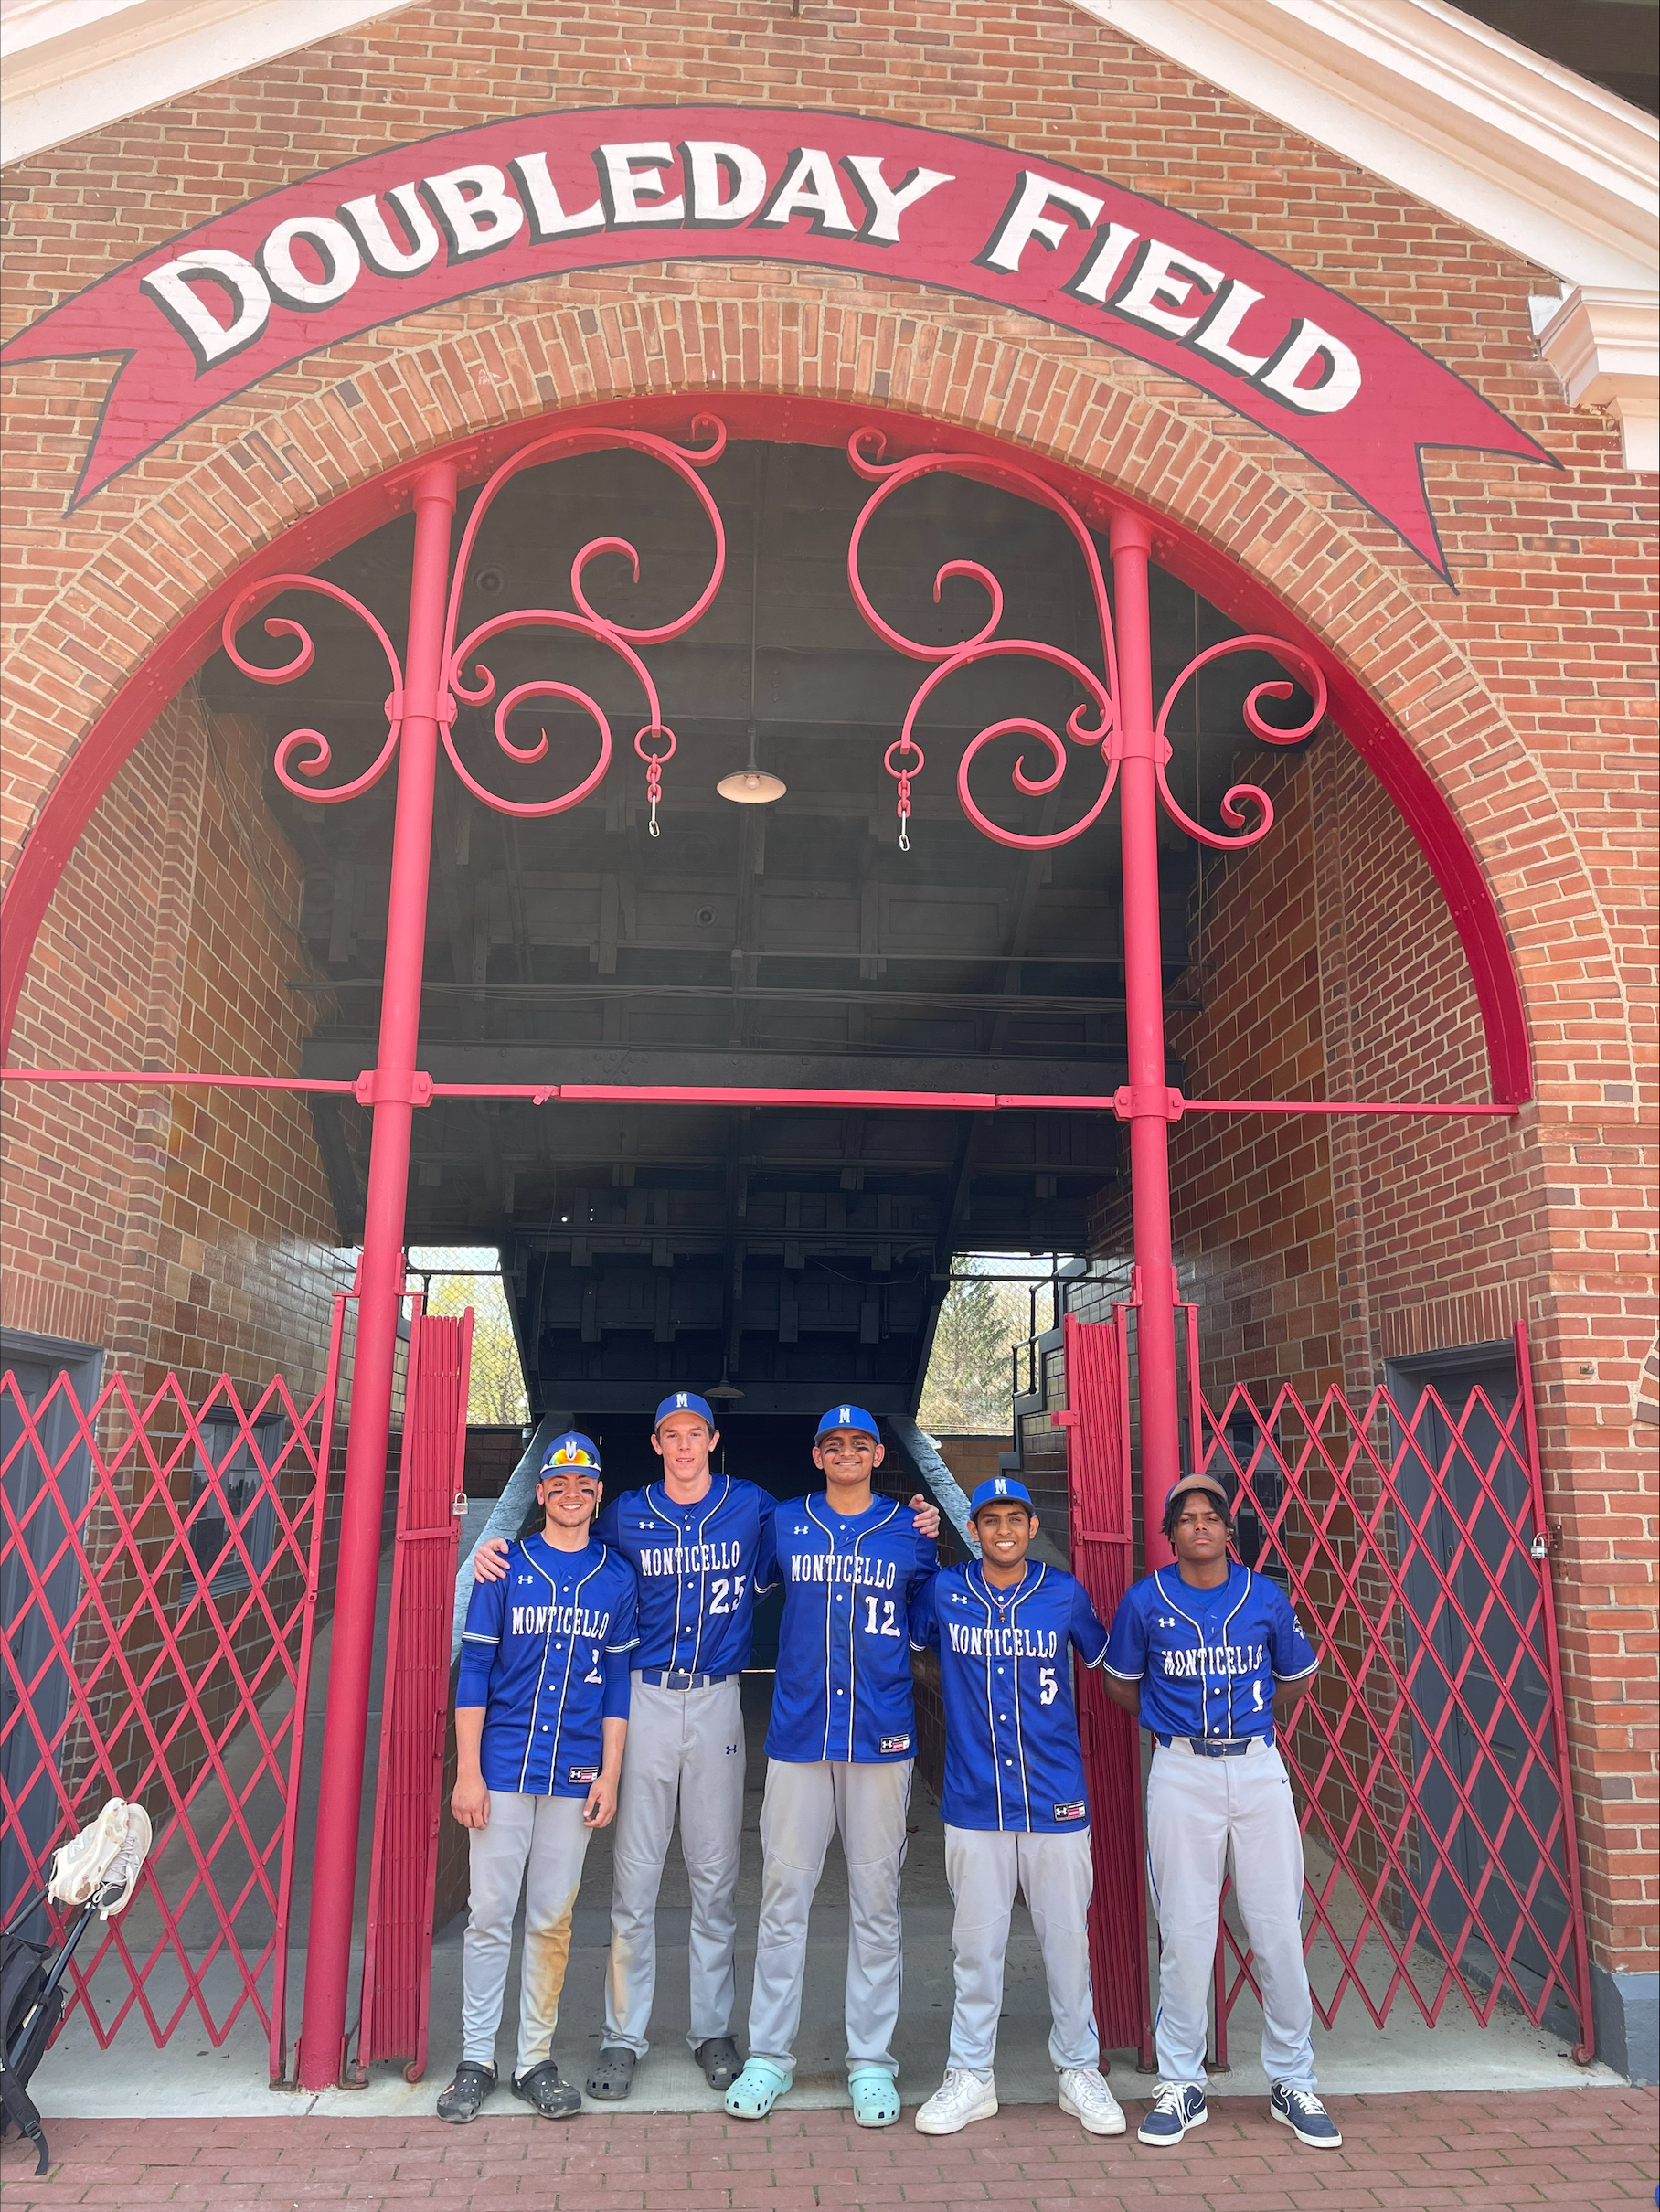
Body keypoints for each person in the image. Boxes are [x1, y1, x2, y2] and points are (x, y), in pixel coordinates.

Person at [470, 1392, 940, 2100]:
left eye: (695, 1433)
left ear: (714, 1440)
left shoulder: (756, 1508)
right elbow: (576, 1554)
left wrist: (921, 1518)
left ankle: (713, 2030)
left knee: (715, 1875)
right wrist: (497, 1550)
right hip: (646, 1697)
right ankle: (622, 2034)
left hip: (720, 1696)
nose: (684, 1445)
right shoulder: (625, 1512)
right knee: (635, 1876)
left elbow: (854, 1532)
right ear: (655, 1443)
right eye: (670, 1434)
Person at [1101, 1471, 1342, 2150]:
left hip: (1258, 1765)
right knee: (1183, 1930)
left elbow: (1294, 1679)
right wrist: (1167, 1724)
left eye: (1211, 1516)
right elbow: (1123, 1684)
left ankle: (1293, 2077)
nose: (1199, 1525)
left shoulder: (1262, 1596)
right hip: (1181, 1769)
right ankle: (1182, 2082)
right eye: (1186, 1517)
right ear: (1170, 1533)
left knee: (1276, 1929)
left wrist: (1252, 1728)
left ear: (1227, 1530)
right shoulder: (1145, 1601)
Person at [723, 1405, 938, 2130]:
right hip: (798, 1733)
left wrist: (932, 1526)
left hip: (880, 1735)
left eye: (859, 1443)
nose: (846, 1452)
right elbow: (738, 1589)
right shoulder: (783, 1522)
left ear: (878, 1453)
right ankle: (769, 2055)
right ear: (817, 1455)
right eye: (833, 1444)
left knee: (876, 1901)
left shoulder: (912, 1531)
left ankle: (871, 2061)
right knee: (784, 1896)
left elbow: (928, 1618)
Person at [907, 1475, 1125, 2139]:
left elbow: (1107, 1663)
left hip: (1055, 1794)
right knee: (975, 1946)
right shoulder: (946, 1590)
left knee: (1066, 1941)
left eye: (1015, 1518)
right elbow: (916, 1654)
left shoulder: (1063, 1593)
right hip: (975, 1798)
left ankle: (1078, 2069)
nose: (1002, 1530)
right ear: (972, 1529)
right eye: (989, 1519)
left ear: (1032, 1527)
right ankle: (971, 2074)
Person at [437, 1432, 637, 2124]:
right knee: (490, 1916)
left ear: (598, 1493)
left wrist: (610, 1774)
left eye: (584, 1485)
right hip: (503, 1766)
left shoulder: (615, 1578)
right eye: (559, 1484)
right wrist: (467, 1772)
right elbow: (476, 1676)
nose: (571, 1494)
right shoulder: (504, 1569)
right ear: (542, 1491)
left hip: (576, 1770)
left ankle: (533, 2061)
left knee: (552, 1920)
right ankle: (475, 2060)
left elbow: (617, 1688)